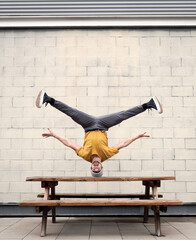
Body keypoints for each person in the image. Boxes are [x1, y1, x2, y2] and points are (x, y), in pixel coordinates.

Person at [36, 90, 163, 177]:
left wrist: (54, 135)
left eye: (94, 170)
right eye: (98, 170)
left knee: (72, 112)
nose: (96, 168)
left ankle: (48, 98)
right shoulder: (106, 155)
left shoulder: (85, 156)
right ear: (101, 167)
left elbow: (69, 143)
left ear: (91, 167)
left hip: (88, 125)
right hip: (103, 125)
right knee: (122, 115)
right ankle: (149, 104)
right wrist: (137, 136)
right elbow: (123, 144)